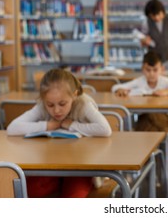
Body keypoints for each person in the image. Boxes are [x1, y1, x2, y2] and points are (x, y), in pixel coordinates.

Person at [7, 68, 112, 198]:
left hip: (81, 167)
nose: (57, 110)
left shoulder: (83, 104)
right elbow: (12, 128)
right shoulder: (42, 105)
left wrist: (73, 125)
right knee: (25, 191)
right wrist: (47, 125)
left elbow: (105, 129)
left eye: (62, 104)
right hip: (50, 166)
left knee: (73, 196)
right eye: (50, 105)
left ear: (74, 95)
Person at [111, 50, 168, 132]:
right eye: (148, 70)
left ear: (162, 69)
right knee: (148, 121)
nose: (151, 73)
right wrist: (120, 90)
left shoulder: (165, 81)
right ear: (142, 69)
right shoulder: (140, 81)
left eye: (155, 70)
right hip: (146, 116)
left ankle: (142, 140)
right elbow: (115, 87)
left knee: (145, 123)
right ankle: (156, 143)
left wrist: (167, 91)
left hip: (163, 115)